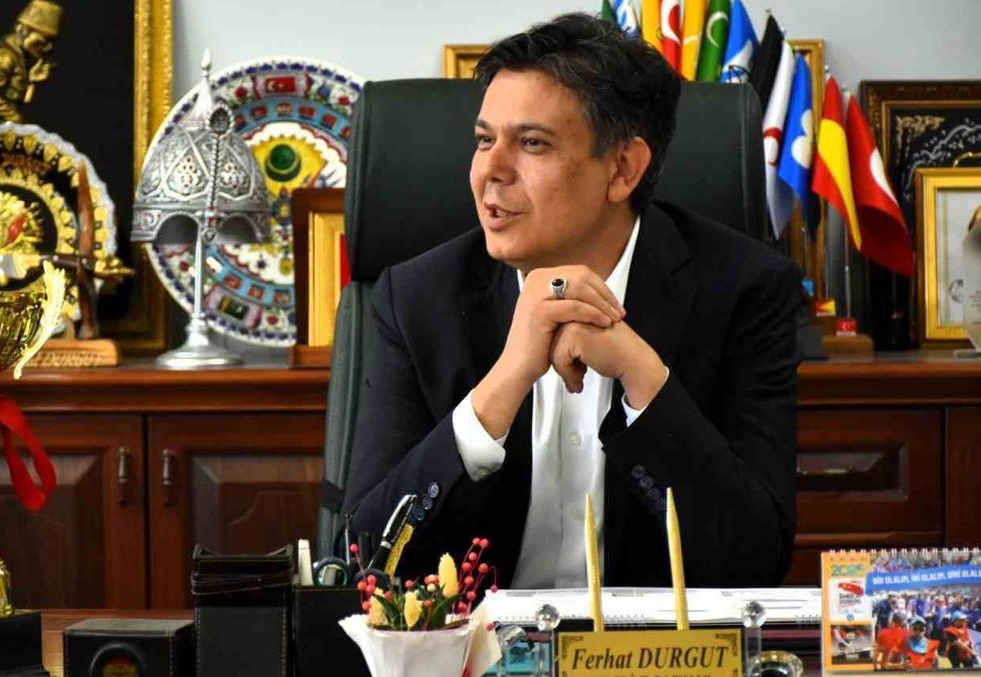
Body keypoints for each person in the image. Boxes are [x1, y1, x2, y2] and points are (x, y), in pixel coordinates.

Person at [342, 13, 801, 589]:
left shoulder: (744, 291)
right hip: (477, 644)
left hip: (656, 646)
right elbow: (365, 560)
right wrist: (503, 384)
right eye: (484, 140)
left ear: (623, 169)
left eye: (532, 143)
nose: (490, 171)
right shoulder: (416, 300)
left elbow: (755, 562)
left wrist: (643, 378)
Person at [0, 0, 62, 129]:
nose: (48, 47)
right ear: (23, 30)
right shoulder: (3, 56)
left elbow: (17, 101)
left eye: (51, 41)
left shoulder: (16, 56)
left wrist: (31, 82)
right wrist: (16, 118)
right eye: (45, 39)